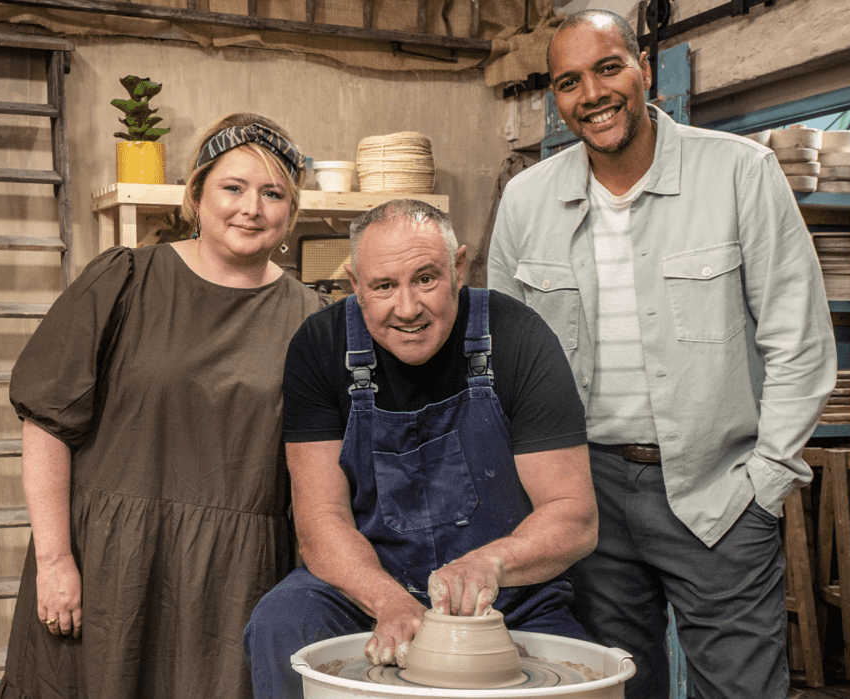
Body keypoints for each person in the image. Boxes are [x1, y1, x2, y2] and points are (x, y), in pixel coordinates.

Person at [487, 10, 837, 699]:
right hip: (583, 495)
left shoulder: (740, 172)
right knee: (609, 686)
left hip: (718, 489)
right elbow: (501, 360)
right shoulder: (526, 200)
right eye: (568, 81)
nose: (591, 94)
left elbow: (799, 341)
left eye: (608, 68)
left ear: (644, 66)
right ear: (555, 97)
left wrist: (764, 483)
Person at [0, 113, 326, 699]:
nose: (252, 207)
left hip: (235, 586)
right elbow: (47, 425)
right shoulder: (124, 281)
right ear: (197, 196)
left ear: (290, 213)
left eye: (273, 193)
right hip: (108, 572)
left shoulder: (311, 322)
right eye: (234, 187)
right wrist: (53, 561)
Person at [243, 198, 598, 698]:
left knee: (576, 682)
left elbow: (573, 515)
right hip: (368, 583)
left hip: (506, 595)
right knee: (282, 622)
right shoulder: (320, 348)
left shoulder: (517, 336)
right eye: (384, 286)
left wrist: (488, 565)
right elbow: (321, 523)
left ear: (458, 268)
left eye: (426, 278)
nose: (408, 309)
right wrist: (389, 601)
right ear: (354, 284)